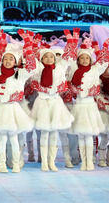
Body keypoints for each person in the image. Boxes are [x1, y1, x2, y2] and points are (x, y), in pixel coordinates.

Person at [0, 29, 36, 173]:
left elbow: (32, 67)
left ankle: (16, 163)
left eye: (11, 59)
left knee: (14, 139)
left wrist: (28, 44)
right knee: (2, 139)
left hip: (13, 109)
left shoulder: (20, 74)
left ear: (16, 61)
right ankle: (2, 164)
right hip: (0, 108)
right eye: (5, 59)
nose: (7, 61)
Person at [29, 42, 76, 172]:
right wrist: (29, 43)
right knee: (44, 133)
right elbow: (31, 60)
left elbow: (68, 57)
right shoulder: (38, 69)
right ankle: (44, 162)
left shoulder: (60, 68)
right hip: (42, 102)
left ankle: (52, 161)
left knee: (54, 133)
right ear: (41, 59)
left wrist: (71, 40)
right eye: (46, 57)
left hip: (55, 102)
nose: (49, 59)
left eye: (51, 57)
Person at [68, 33, 109, 171]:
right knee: (81, 135)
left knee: (89, 135)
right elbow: (72, 88)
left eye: (87, 58)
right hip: (79, 106)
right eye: (82, 58)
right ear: (78, 60)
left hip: (90, 105)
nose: (85, 60)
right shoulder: (75, 72)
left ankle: (90, 161)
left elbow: (104, 61)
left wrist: (102, 47)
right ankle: (83, 161)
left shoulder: (95, 70)